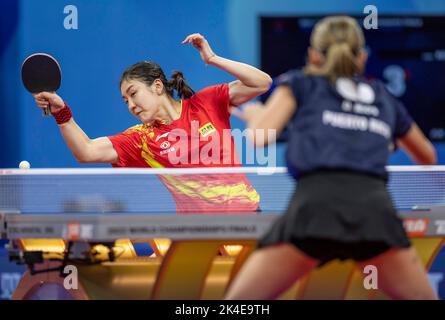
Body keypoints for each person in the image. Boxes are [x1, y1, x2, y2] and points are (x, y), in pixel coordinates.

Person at [226, 16, 438, 300]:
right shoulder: (383, 96)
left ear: (313, 55)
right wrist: (377, 141)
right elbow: (427, 156)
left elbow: (260, 136)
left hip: (314, 212)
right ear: (362, 57)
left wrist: (254, 117)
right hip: (375, 215)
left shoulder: (300, 82)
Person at [33, 33, 272, 213]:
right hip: (200, 231)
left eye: (134, 94)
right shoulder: (142, 139)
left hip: (248, 218)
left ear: (157, 86)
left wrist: (212, 58)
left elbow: (261, 83)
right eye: (125, 101)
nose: (131, 105)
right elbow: (86, 151)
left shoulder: (206, 103)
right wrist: (61, 112)